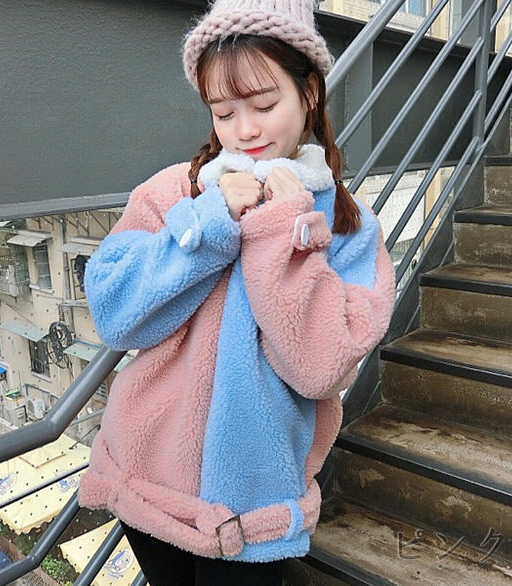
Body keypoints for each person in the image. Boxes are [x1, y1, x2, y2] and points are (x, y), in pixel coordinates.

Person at [77, 0, 396, 584]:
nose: (244, 130)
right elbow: (113, 311)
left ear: (310, 93)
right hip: (144, 479)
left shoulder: (350, 229)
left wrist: (280, 230)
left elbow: (319, 368)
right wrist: (209, 223)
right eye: (223, 112)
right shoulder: (178, 190)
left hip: (252, 512)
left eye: (264, 105)